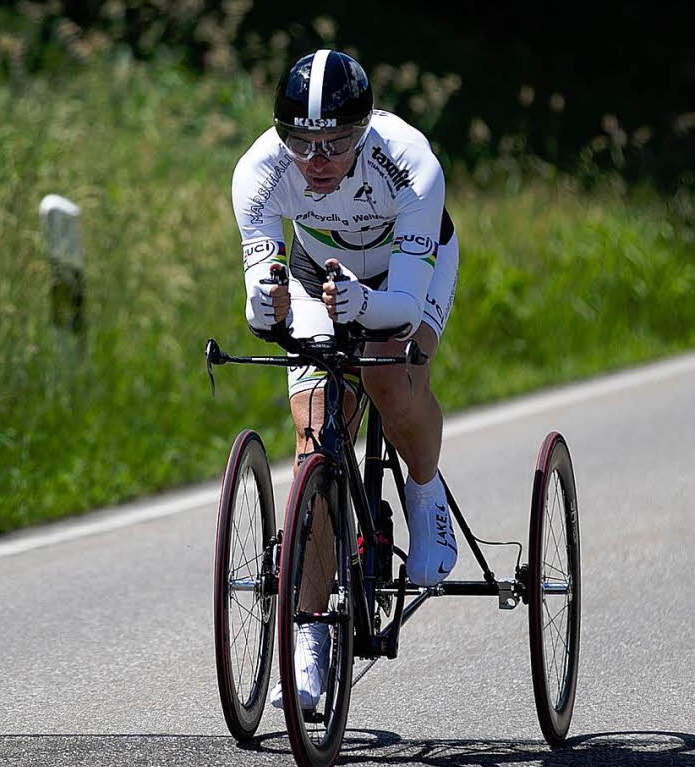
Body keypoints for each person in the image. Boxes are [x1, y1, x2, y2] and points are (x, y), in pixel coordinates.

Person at [231, 49, 460, 709]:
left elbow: (406, 306)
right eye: (300, 140)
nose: (317, 158)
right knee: (315, 438)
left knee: (390, 379)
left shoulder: (411, 164)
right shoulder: (260, 171)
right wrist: (263, 303)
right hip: (316, 272)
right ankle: (308, 644)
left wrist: (364, 307)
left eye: (336, 141)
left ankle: (424, 491)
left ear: (365, 130)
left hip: (406, 273)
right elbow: (259, 289)